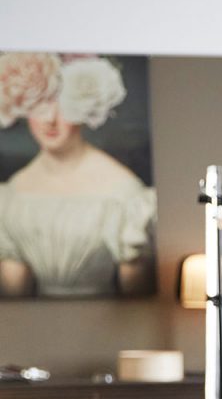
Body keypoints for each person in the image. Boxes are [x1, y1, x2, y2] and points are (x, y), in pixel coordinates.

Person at [0, 51, 156, 299]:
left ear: (84, 107)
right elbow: (13, 296)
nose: (50, 119)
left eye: (62, 106)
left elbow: (136, 298)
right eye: (39, 106)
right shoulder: (13, 194)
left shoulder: (124, 194)